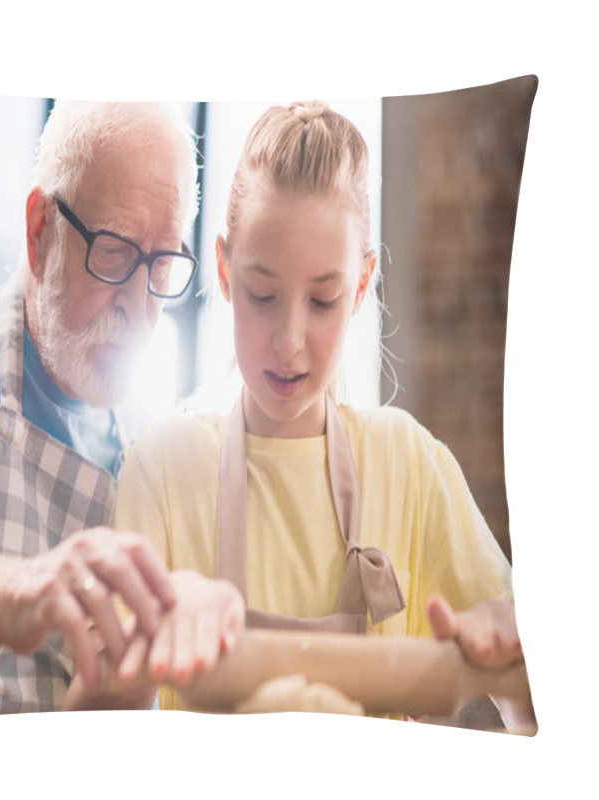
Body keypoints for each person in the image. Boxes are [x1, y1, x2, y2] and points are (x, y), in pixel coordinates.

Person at [112, 101, 534, 730]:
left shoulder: (410, 465)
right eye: (262, 294)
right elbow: (99, 732)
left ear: (362, 286)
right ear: (224, 272)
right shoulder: (164, 468)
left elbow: (541, 714)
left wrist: (514, 651)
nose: (289, 339)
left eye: (323, 299)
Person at [0, 101, 244, 735]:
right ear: (41, 231)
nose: (139, 307)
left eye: (163, 264)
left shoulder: (145, 462)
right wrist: (23, 592)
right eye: (116, 253)